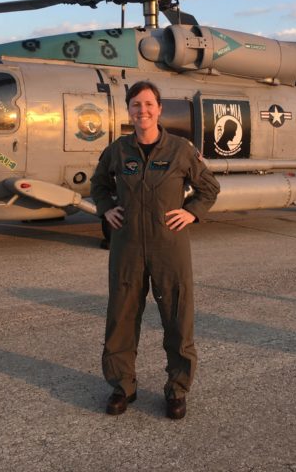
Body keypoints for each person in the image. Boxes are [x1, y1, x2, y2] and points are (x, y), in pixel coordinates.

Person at [90, 81, 220, 419]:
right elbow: (98, 184)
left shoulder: (180, 150)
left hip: (169, 247)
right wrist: (105, 207)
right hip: (127, 246)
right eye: (136, 104)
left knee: (177, 319)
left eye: (148, 104)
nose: (142, 110)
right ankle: (122, 386)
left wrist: (191, 212)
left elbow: (209, 187)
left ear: (159, 109)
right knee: (121, 317)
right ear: (129, 110)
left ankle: (177, 390)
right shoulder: (118, 150)